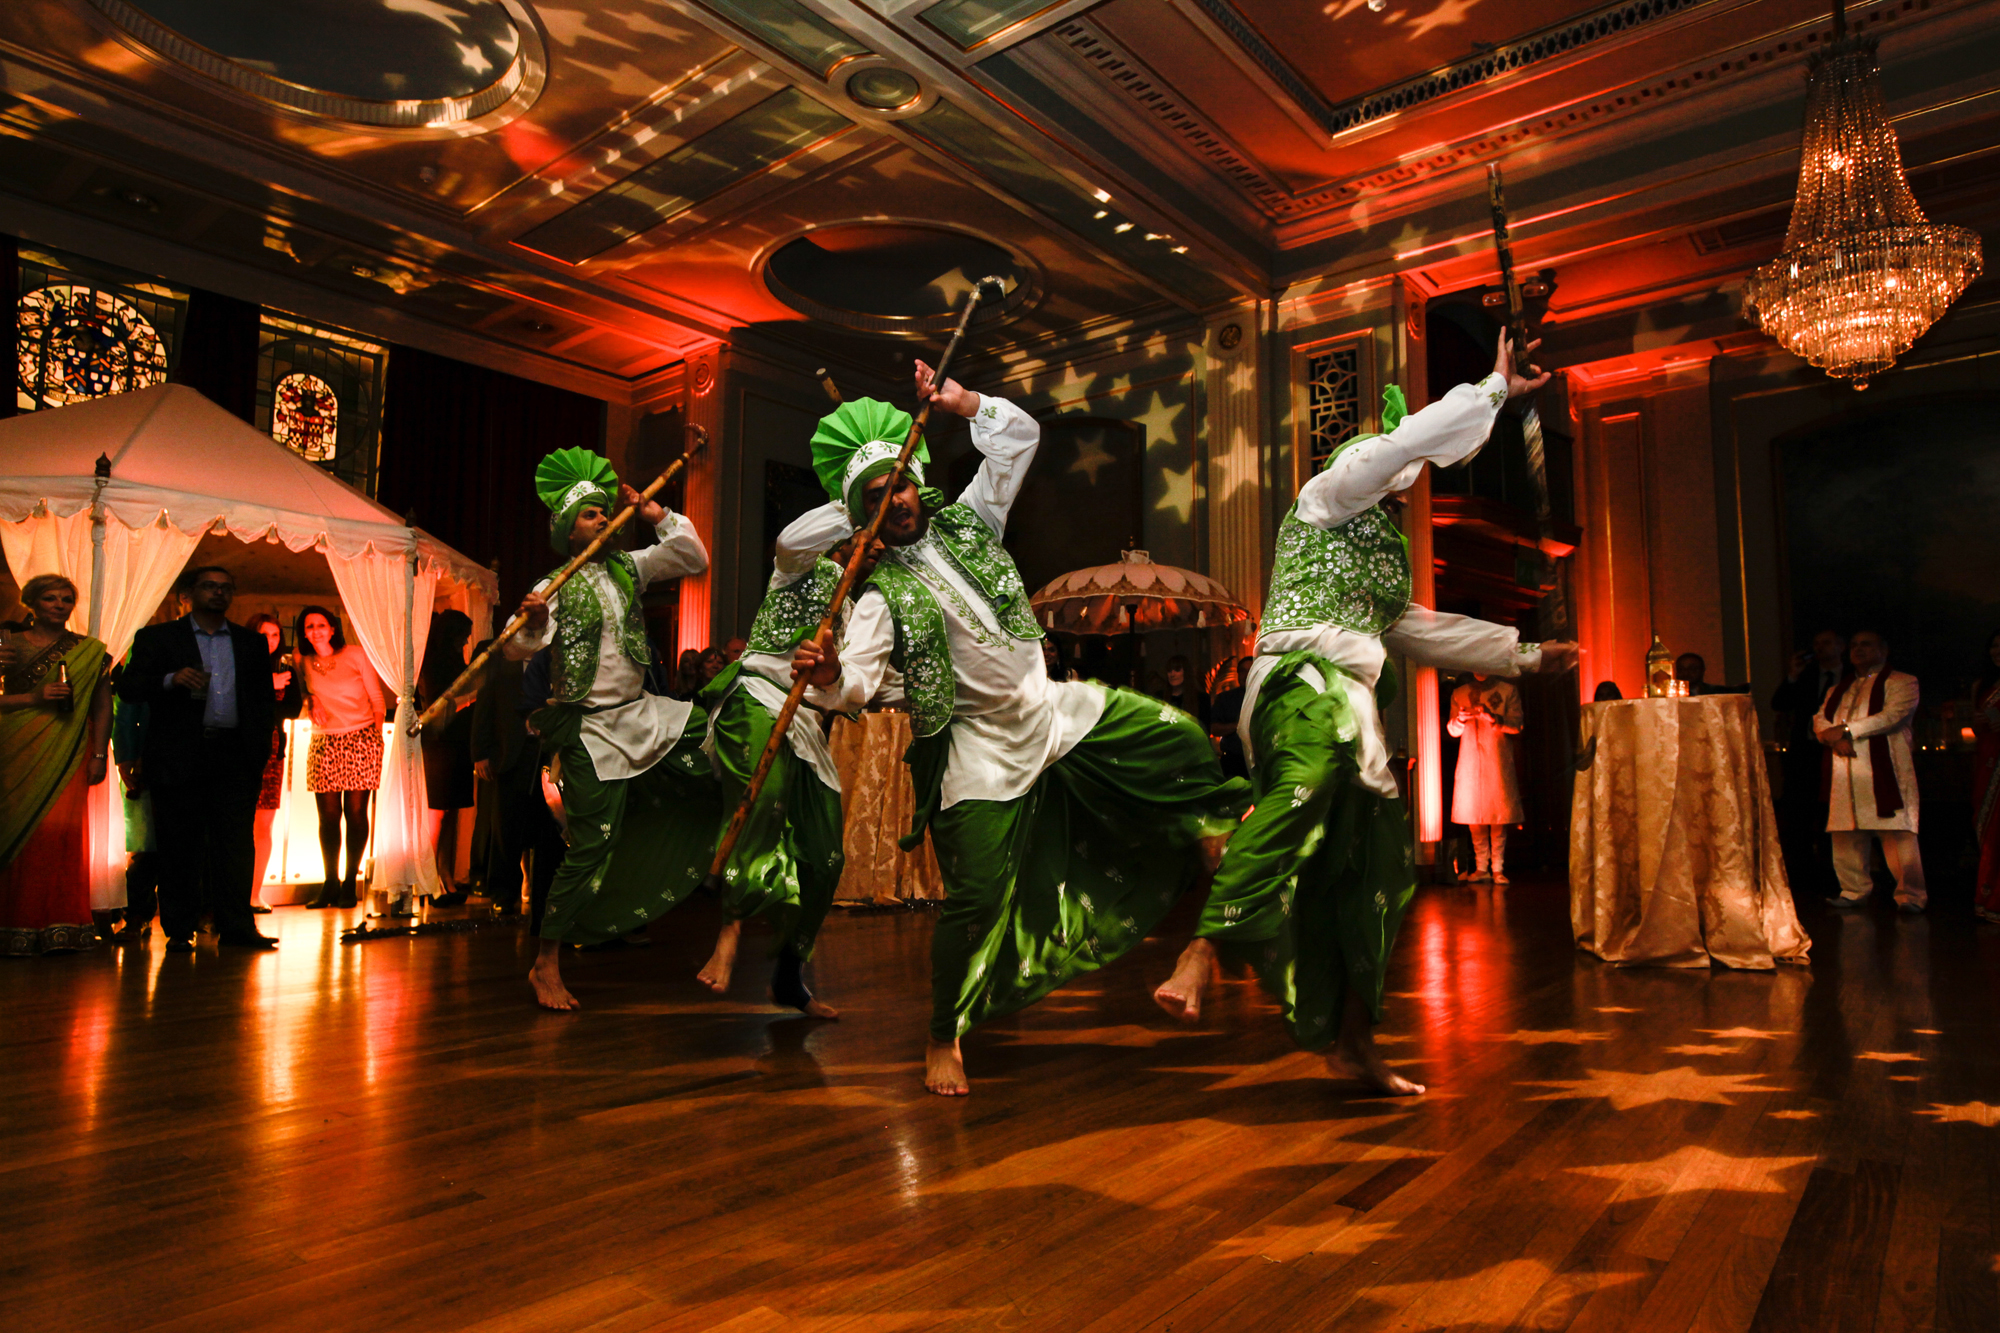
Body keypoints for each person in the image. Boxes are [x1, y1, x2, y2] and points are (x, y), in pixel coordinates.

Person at [793, 369, 1251, 1096]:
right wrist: (822, 677)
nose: (896, 503)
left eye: (900, 485)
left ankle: (1206, 840)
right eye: (876, 499)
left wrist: (960, 401)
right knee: (975, 899)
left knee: (1180, 737)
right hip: (977, 747)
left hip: (1052, 710)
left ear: (918, 483)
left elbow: (1019, 437)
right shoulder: (881, 594)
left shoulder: (973, 519)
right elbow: (853, 684)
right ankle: (945, 1032)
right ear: (863, 518)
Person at [1153, 333, 1576, 1095]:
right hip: (1296, 684)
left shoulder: (1385, 545)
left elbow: (1417, 627)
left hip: (1355, 708)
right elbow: (1398, 446)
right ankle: (1203, 948)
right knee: (1314, 769)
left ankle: (1353, 1043)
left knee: (1370, 874)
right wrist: (1493, 391)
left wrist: (1526, 655)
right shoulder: (1328, 492)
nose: (1400, 475)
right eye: (1393, 460)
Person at [505, 447, 720, 1011]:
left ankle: (722, 839)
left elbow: (693, 556)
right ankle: (546, 962)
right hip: (585, 729)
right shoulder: (551, 584)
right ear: (567, 532)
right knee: (591, 845)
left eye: (605, 511)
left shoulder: (631, 567)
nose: (602, 518)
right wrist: (535, 623)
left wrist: (653, 514)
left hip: (638, 712)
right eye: (589, 514)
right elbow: (511, 649)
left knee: (708, 732)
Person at [695, 523, 874, 1019]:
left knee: (826, 857)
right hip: (754, 699)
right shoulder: (798, 567)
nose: (879, 546)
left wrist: (838, 673)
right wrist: (852, 504)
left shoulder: (862, 614)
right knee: (764, 794)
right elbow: (788, 543)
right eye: (870, 534)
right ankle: (729, 926)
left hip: (804, 725)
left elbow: (856, 687)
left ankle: (789, 977)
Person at [120, 565, 280, 951]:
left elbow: (261, 702)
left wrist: (258, 750)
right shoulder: (158, 638)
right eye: (210, 586)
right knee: (179, 844)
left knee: (236, 844)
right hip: (178, 753)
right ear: (189, 593)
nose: (219, 593)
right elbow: (127, 686)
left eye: (226, 587)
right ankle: (178, 930)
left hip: (234, 755)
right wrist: (169, 679)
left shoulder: (249, 642)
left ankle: (237, 928)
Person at [1, 574, 113, 956]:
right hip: (14, 749)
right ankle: (11, 925)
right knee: (16, 832)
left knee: (61, 836)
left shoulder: (89, 650)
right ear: (31, 602)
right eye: (50, 598)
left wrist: (99, 755)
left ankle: (61, 925)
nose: (59, 605)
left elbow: (102, 705)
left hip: (66, 751)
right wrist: (33, 698)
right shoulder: (8, 645)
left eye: (66, 599)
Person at [1816, 629, 1925, 913]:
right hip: (1845, 772)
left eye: (1866, 644)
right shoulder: (1837, 689)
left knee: (1896, 835)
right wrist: (1833, 737)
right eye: (1854, 645)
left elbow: (1892, 716)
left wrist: (1848, 730)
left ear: (1884, 649)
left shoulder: (1903, 682)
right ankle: (1852, 891)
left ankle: (1910, 896)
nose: (1858, 649)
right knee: (1845, 834)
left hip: (1885, 770)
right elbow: (1820, 718)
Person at [294, 606, 386, 910]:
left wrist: (374, 737)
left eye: (322, 625)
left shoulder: (355, 654)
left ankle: (350, 881)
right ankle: (329, 882)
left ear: (333, 628)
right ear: (303, 632)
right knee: (328, 817)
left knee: (356, 813)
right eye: (310, 626)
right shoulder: (303, 660)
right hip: (324, 741)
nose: (316, 630)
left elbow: (377, 699)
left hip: (360, 736)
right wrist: (311, 698)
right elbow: (301, 691)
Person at [469, 647, 562, 919]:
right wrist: (481, 752)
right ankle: (502, 894)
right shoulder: (502, 666)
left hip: (547, 752)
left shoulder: (556, 665)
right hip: (510, 755)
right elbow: (484, 705)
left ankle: (543, 896)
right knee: (505, 827)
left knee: (547, 828)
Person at [1770, 629, 1848, 889]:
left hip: (1837, 752)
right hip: (1804, 753)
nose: (1820, 647)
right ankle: (1802, 875)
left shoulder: (1852, 676)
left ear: (1840, 646)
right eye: (1816, 643)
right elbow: (1779, 703)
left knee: (1832, 812)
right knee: (1799, 813)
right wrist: (1792, 674)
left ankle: (1835, 873)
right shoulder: (1807, 676)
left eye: (1826, 642)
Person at [243, 614, 303, 908]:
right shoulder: (237, 665)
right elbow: (234, 702)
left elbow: (292, 708)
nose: (271, 640)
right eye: (264, 634)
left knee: (263, 825)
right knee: (235, 823)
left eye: (276, 634)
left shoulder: (285, 668)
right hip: (237, 750)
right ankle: (228, 895)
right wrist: (268, 684)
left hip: (272, 749)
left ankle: (254, 892)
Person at [419, 610, 477, 906]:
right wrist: (471, 697)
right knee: (438, 811)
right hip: (441, 740)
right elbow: (440, 703)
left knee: (450, 812)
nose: (466, 640)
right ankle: (430, 878)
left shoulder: (447, 659)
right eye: (462, 635)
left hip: (455, 739)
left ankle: (444, 876)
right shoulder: (434, 661)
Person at [1448, 672, 1524, 885]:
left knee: (1498, 812)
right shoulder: (1460, 693)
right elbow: (1452, 730)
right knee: (1474, 814)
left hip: (1497, 759)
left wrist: (1492, 718)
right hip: (1470, 759)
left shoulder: (1507, 690)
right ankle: (1481, 867)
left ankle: (1498, 867)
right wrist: (1460, 719)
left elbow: (1517, 724)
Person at [1971, 631, 2000, 924]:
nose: (1997, 651)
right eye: (1993, 645)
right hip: (1988, 764)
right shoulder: (1985, 686)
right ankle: (1989, 896)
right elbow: (1978, 728)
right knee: (1988, 830)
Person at [1209, 655, 1256, 779]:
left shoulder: (1267, 696)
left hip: (1261, 760)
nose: (1246, 675)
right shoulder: (1225, 699)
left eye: (1250, 670)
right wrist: (1239, 724)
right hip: (1233, 762)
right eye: (1242, 671)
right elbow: (1213, 728)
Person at [1155, 653, 1208, 725]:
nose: (1172, 674)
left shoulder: (1201, 699)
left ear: (1186, 672)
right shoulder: (1159, 698)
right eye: (1169, 670)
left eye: (1177, 670)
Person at [1673, 652, 1748, 696]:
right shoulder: (1671, 696)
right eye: (1681, 669)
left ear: (1702, 670)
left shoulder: (1717, 692)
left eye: (1692, 669)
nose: (1686, 673)